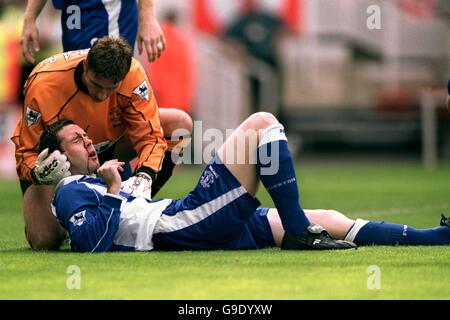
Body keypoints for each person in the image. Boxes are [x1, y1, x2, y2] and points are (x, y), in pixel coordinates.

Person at [46, 116, 450, 252]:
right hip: (183, 225)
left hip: (189, 221)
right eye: (75, 141)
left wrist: (133, 177)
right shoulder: (69, 190)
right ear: (59, 158)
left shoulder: (96, 179)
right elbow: (89, 244)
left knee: (330, 218)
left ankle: (438, 238)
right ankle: (297, 233)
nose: (87, 141)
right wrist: (116, 189)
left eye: (86, 135)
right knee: (260, 124)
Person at [11, 36, 192, 250]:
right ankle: (72, 214)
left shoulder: (133, 75)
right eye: (96, 84)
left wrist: (145, 175)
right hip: (58, 165)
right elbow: (26, 151)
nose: (101, 94)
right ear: (86, 65)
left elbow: (150, 136)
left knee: (180, 124)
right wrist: (37, 173)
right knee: (44, 241)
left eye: (111, 88)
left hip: (109, 148)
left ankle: (131, 207)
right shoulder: (43, 83)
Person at [21, 0, 166, 64]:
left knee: (106, 80)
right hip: (74, 27)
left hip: (109, 19)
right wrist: (30, 18)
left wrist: (148, 17)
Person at [223, 0, 287, 117]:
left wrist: (276, 44)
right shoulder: (241, 20)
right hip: (254, 64)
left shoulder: (267, 17)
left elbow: (283, 29)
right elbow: (229, 39)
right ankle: (259, 120)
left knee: (275, 93)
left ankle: (277, 119)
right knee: (256, 97)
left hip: (270, 61)